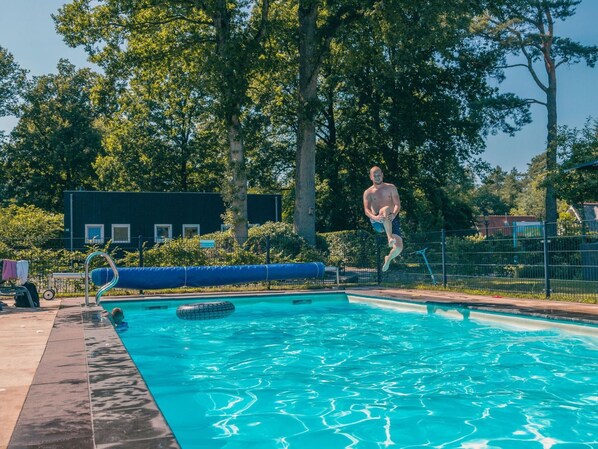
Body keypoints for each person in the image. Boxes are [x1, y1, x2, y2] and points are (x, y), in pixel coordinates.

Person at [363, 166, 404, 272]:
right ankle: (389, 238)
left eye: (379, 175)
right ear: (371, 177)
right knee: (385, 209)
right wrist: (374, 217)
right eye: (374, 175)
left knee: (399, 248)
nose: (377, 177)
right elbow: (366, 210)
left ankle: (388, 258)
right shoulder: (368, 192)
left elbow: (397, 204)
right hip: (378, 220)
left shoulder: (391, 187)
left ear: (382, 174)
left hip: (391, 219)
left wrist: (394, 214)